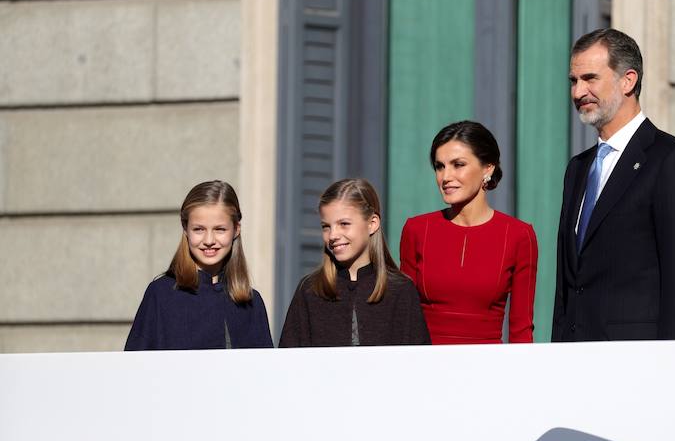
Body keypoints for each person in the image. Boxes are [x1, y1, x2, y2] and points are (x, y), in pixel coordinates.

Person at [553, 28, 675, 342]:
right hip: (576, 365)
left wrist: (671, 367)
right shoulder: (577, 169)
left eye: (590, 78)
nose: (577, 92)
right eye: (574, 81)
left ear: (628, 80)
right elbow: (568, 288)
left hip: (641, 366)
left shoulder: (672, 162)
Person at [400, 121, 538, 345]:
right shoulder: (416, 230)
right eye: (439, 166)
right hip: (424, 370)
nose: (445, 176)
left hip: (488, 371)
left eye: (458, 164)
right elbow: (403, 318)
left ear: (488, 168)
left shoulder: (519, 236)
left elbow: (521, 330)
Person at [280, 178, 430, 347]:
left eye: (344, 224)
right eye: (326, 226)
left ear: (372, 224)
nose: (333, 235)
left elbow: (417, 364)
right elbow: (288, 363)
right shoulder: (309, 290)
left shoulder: (401, 290)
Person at [125, 180, 273, 350]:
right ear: (185, 229)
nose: (209, 241)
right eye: (199, 229)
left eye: (220, 229)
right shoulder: (160, 295)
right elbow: (133, 369)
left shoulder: (252, 304)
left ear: (236, 229)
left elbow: (264, 374)